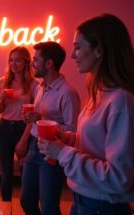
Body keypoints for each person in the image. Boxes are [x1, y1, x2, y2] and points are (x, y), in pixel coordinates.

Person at [38, 14, 134, 215]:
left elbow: (119, 179)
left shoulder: (121, 101)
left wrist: (63, 153)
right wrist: (68, 139)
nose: (72, 55)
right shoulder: (99, 93)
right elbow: (95, 145)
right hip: (83, 201)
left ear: (99, 50)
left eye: (78, 47)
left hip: (102, 207)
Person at [20, 41, 81, 215]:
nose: (32, 63)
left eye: (35, 60)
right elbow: (38, 120)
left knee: (48, 206)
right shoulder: (40, 87)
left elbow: (73, 131)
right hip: (34, 146)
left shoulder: (68, 93)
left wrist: (42, 119)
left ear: (49, 63)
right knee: (26, 200)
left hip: (51, 152)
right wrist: (32, 120)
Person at [0, 46, 39, 201]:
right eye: (11, 60)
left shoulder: (34, 85)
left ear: (26, 62)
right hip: (5, 127)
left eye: (18, 60)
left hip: (23, 128)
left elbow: (33, 117)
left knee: (24, 171)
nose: (14, 64)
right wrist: (3, 99)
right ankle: (5, 207)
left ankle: (26, 206)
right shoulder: (3, 82)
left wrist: (24, 139)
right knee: (6, 174)